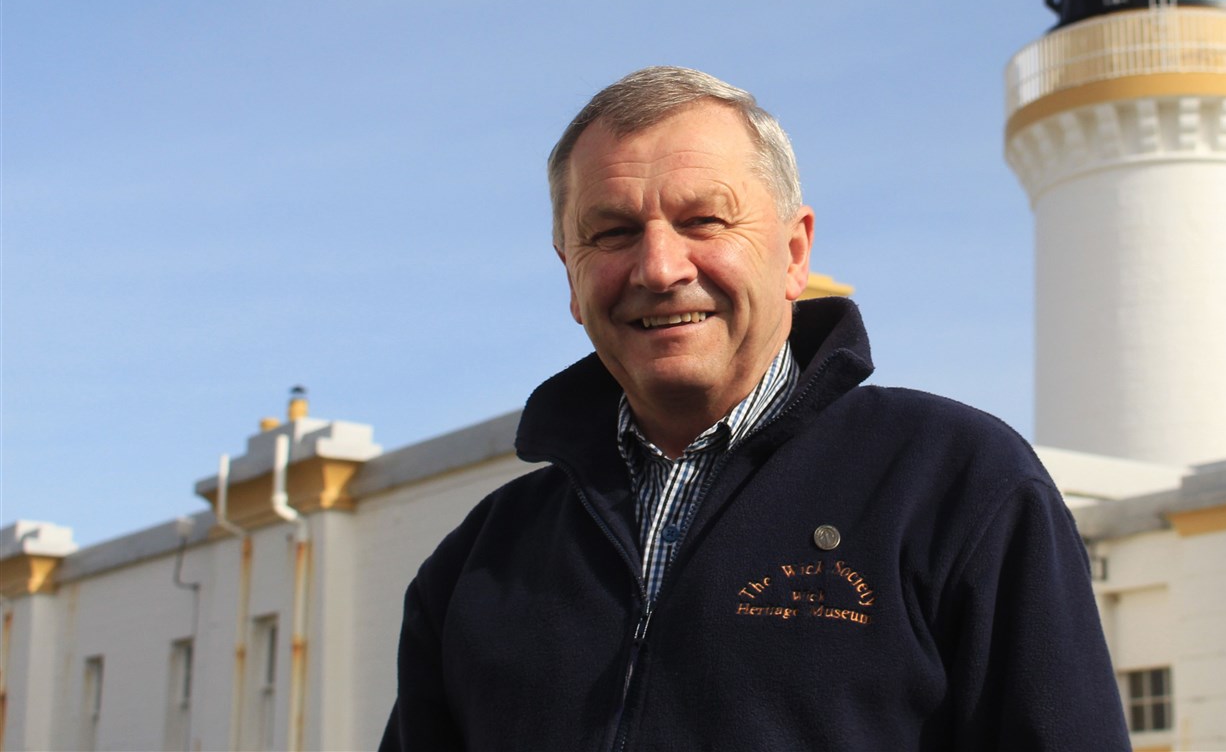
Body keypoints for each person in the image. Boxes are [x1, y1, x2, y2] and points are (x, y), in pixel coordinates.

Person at [381, 66, 1131, 750]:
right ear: (571, 278)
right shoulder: (480, 560)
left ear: (795, 253)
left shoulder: (958, 484)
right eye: (611, 232)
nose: (659, 267)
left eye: (703, 221)